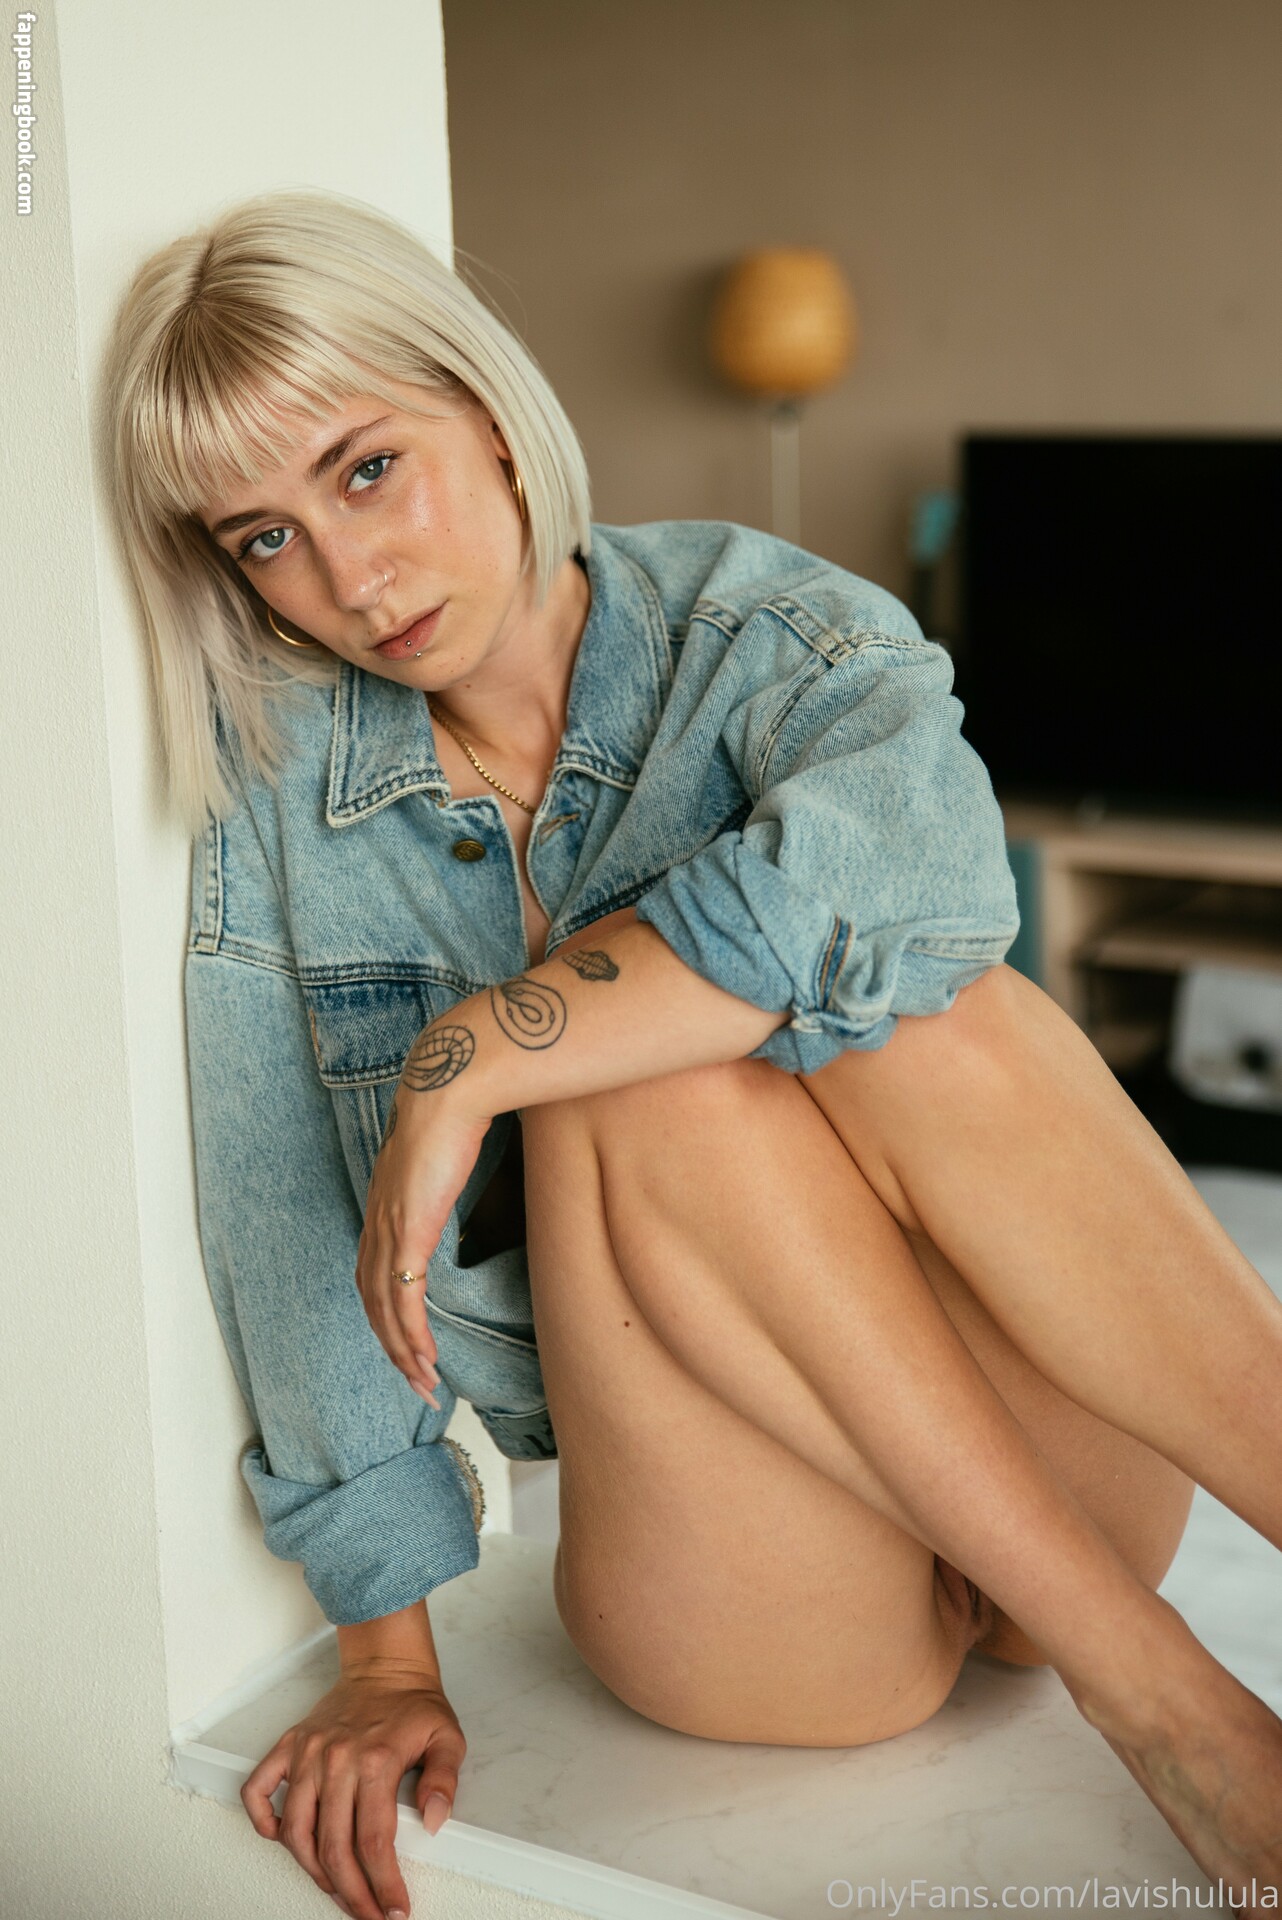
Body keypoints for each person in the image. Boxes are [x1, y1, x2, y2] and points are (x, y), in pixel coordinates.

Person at [101, 186, 1282, 1920]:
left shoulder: (767, 629)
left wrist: (469, 1055)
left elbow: (934, 884)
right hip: (759, 1581)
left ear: (488, 414)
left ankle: (1123, 1623)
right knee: (637, 1072)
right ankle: (1167, 1704)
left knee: (929, 997)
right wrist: (382, 1657)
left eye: (367, 470)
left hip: (1047, 1458)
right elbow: (285, 1225)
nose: (350, 579)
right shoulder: (286, 800)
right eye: (265, 536)